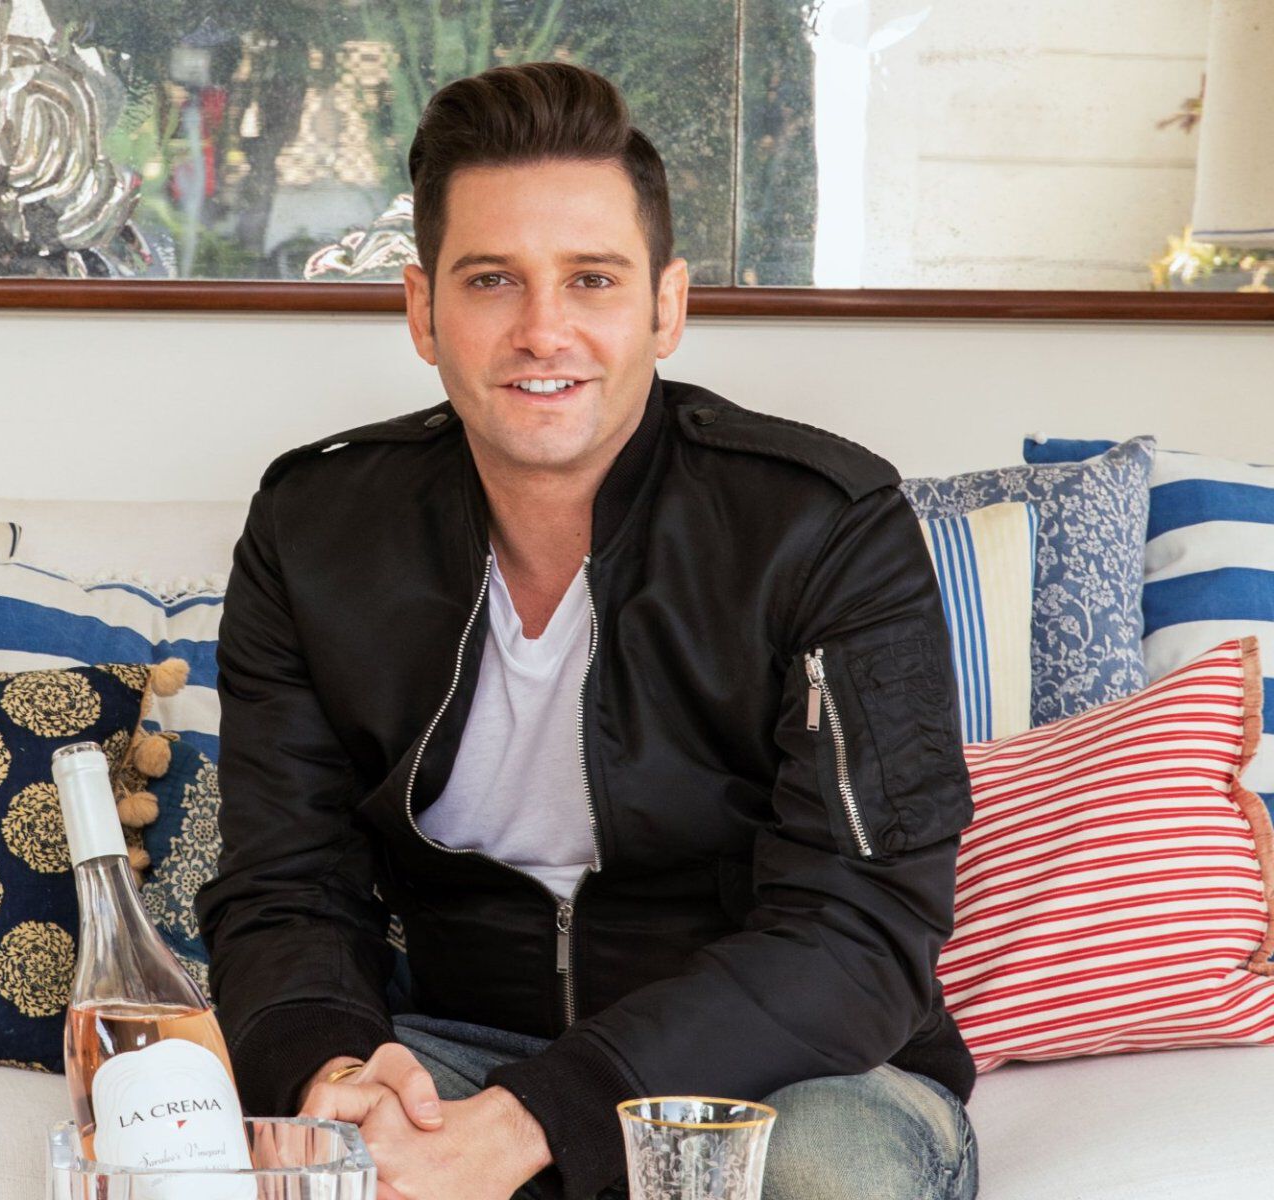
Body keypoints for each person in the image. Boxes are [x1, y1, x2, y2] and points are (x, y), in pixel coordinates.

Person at [196, 61, 980, 1200]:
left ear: (666, 305)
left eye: (593, 280)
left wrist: (537, 1122)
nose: (542, 329)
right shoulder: (314, 528)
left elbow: (858, 933)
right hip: (454, 1049)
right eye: (492, 281)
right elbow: (286, 885)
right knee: (196, 1149)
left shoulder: (825, 526)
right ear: (423, 311)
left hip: (792, 1080)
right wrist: (335, 1076)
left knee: (824, 1175)